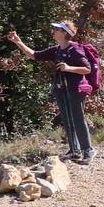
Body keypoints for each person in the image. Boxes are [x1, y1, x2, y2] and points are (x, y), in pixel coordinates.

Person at [8, 21, 96, 165]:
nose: (53, 30)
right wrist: (18, 42)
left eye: (57, 29)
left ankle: (88, 150)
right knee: (67, 120)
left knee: (78, 119)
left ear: (64, 33)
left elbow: (87, 69)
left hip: (76, 89)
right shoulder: (57, 50)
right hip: (62, 89)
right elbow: (34, 55)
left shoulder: (75, 49)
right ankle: (75, 150)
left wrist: (68, 68)